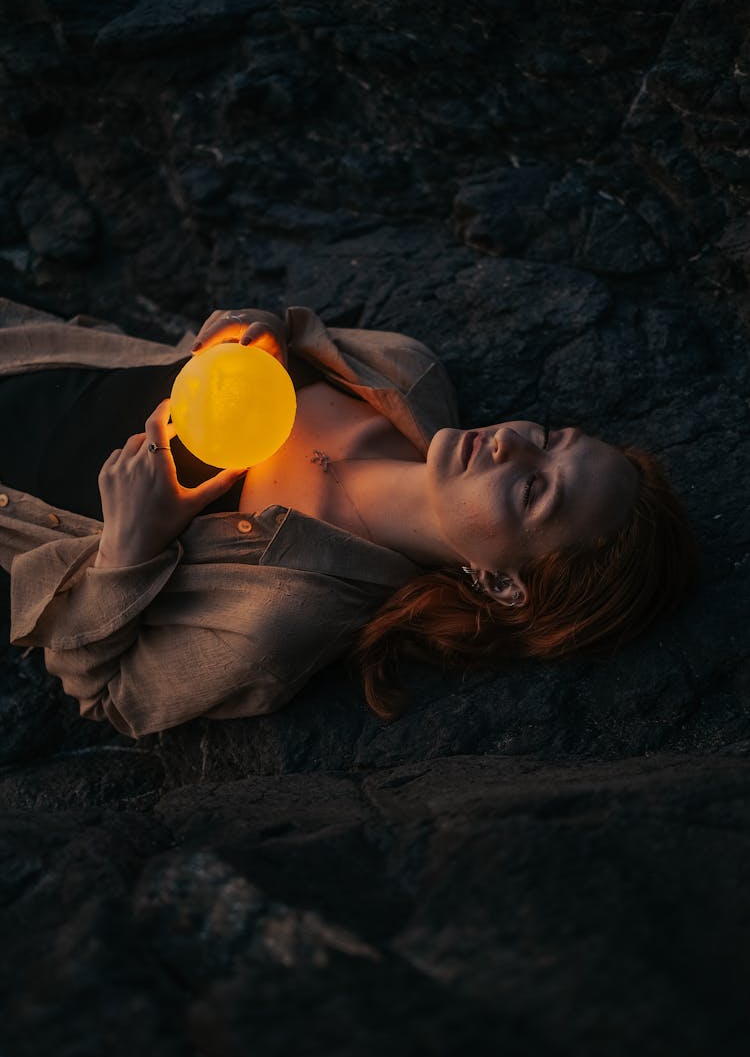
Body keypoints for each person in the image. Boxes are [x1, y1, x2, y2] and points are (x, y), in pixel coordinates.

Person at [0, 298, 698, 739]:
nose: (513, 443)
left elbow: (106, 696)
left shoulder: (278, 618)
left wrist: (129, 549)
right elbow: (269, 327)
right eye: (549, 436)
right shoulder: (404, 373)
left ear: (502, 582)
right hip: (30, 346)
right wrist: (251, 333)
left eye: (534, 490)